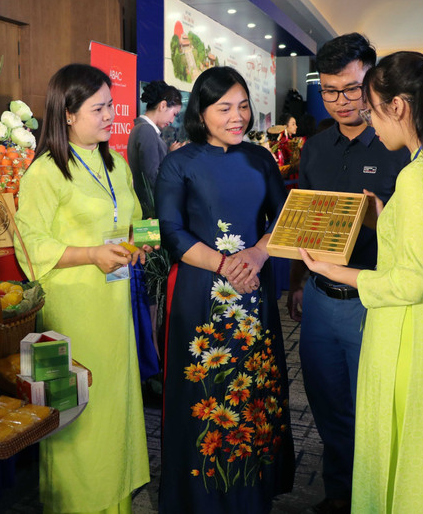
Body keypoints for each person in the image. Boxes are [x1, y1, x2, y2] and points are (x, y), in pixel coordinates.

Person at [300, 51, 423, 512]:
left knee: (391, 451)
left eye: (372, 109)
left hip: (404, 334)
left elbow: (411, 281)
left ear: (398, 106)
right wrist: (386, 220)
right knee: (420, 455)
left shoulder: (416, 177)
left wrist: (336, 271)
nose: (369, 120)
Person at [155, 66, 295, 513]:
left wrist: (255, 255)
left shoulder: (260, 159)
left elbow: (282, 217)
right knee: (204, 393)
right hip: (202, 293)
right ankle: (200, 499)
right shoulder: (179, 163)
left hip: (253, 289)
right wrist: (225, 265)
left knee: (252, 391)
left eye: (243, 106)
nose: (238, 117)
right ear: (200, 112)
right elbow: (171, 231)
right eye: (224, 108)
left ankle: (251, 494)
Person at [13, 63, 151, 513]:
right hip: (70, 312)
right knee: (73, 412)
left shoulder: (116, 163)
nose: (110, 115)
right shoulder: (45, 172)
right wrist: (91, 254)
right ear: (68, 114)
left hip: (114, 307)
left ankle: (115, 500)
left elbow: (134, 218)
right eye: (99, 108)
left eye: (111, 105)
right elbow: (29, 245)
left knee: (113, 406)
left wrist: (142, 242)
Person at [286, 33, 409, 514]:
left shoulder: (400, 147)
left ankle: (376, 498)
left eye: (352, 89)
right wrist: (298, 283)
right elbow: (304, 221)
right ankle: (340, 492)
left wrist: (378, 218)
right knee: (327, 403)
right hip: (320, 297)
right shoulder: (316, 148)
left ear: (373, 82)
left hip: (374, 301)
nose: (340, 101)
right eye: (329, 91)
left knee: (374, 409)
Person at [128, 80, 184, 215]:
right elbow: (153, 177)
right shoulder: (146, 130)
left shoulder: (142, 129)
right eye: (174, 114)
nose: (172, 120)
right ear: (163, 106)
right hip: (152, 209)